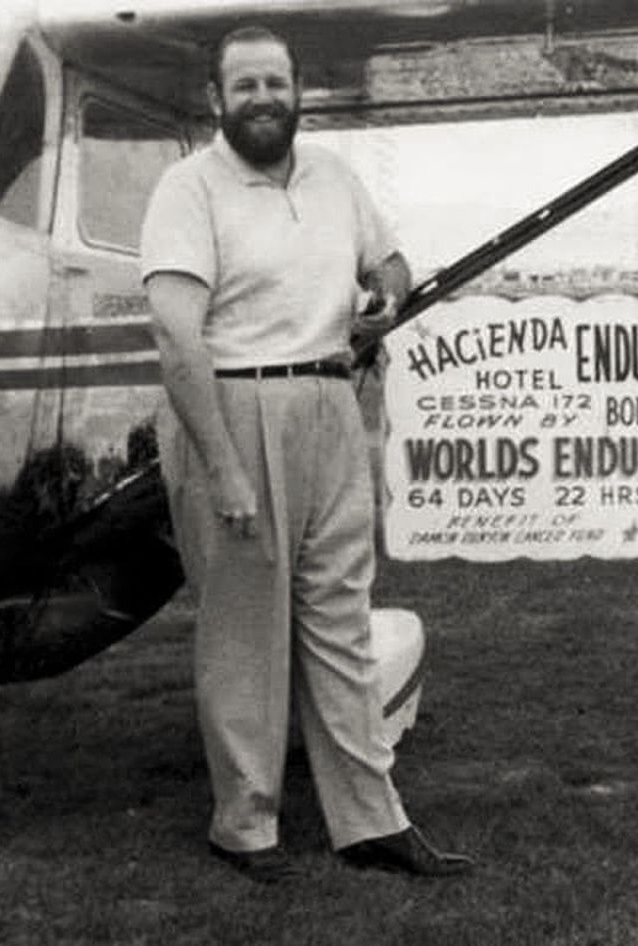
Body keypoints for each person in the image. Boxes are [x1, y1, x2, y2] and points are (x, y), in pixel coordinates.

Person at [139, 24, 471, 884]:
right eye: (243, 86)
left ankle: (370, 822)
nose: (262, 99)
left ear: (299, 92)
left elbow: (391, 261)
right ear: (217, 99)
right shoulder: (188, 188)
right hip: (235, 407)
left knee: (340, 621)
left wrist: (384, 293)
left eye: (275, 84)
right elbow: (178, 342)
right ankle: (244, 826)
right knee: (244, 634)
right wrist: (224, 466)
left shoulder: (335, 178)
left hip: (331, 400)